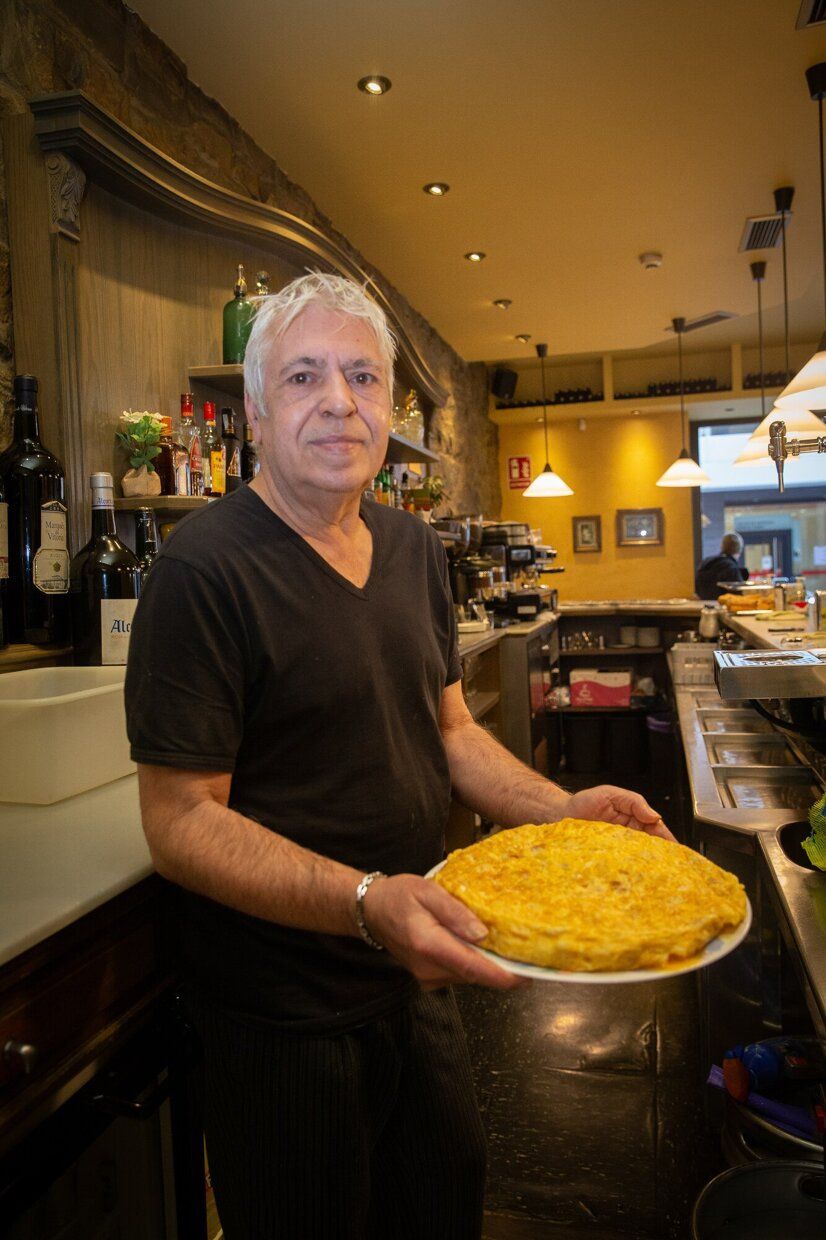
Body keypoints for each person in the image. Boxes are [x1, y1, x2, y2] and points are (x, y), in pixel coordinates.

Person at [125, 272, 673, 1240]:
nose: (339, 400)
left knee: (439, 1204)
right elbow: (178, 823)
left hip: (416, 978)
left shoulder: (416, 549)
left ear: (386, 404)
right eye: (303, 376)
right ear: (254, 410)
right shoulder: (200, 571)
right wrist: (365, 901)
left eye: (362, 377)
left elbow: (451, 732)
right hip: (282, 1016)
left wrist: (562, 810)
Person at [695, 532, 749, 600]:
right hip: (722, 606)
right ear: (739, 550)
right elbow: (738, 596)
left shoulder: (706, 562)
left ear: (722, 546)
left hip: (702, 605)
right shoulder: (731, 568)